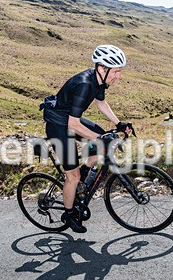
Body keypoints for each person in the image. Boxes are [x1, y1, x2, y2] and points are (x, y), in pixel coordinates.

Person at [42, 45, 131, 233]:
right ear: (102, 69)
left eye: (119, 72)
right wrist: (99, 137)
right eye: (116, 72)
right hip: (59, 126)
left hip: (70, 120)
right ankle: (68, 213)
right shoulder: (84, 84)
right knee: (73, 176)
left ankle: (82, 174)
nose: (118, 76)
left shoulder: (99, 81)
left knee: (103, 145)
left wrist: (119, 124)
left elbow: (100, 103)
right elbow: (73, 126)